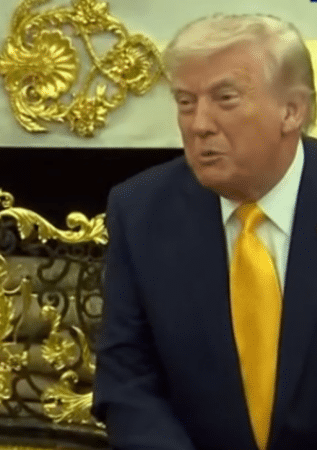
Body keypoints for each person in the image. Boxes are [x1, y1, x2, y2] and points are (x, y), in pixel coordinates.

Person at [93, 13, 317, 450]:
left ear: (292, 110)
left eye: (225, 98)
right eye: (185, 102)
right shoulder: (140, 210)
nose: (199, 125)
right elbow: (127, 381)